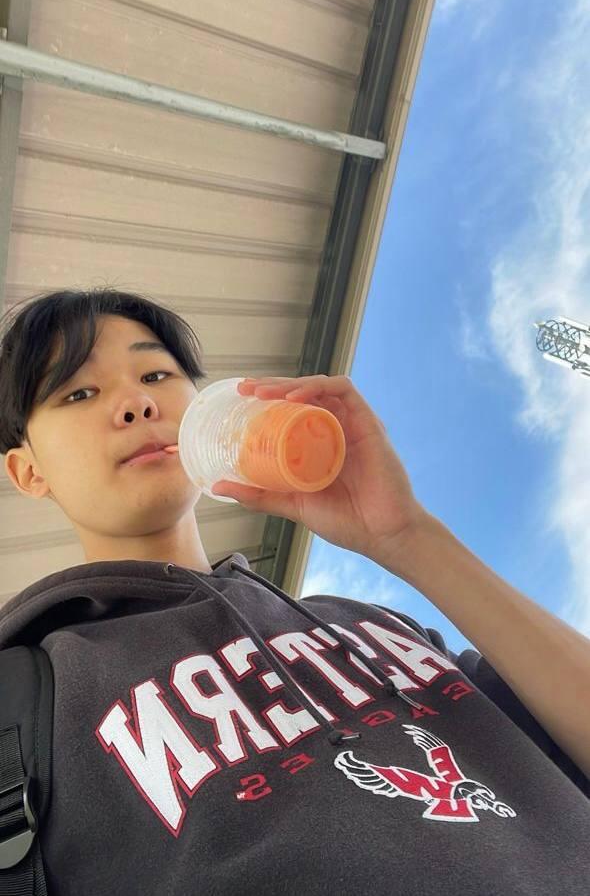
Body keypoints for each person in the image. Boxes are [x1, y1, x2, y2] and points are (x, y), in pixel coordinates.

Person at [0, 286, 588, 896]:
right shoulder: (30, 694)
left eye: (155, 374)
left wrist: (407, 536)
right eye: (79, 393)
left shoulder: (369, 627)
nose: (136, 402)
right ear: (28, 470)